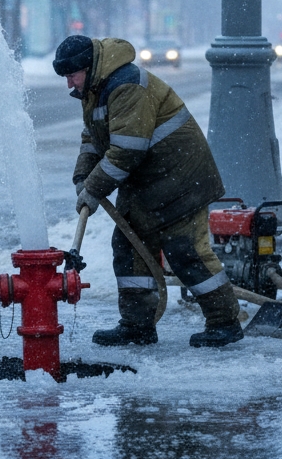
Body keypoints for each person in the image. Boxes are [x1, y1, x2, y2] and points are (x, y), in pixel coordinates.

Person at [53, 35, 243, 348]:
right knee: (129, 248)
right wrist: (83, 176)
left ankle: (225, 322)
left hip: (180, 178)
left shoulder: (127, 85)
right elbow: (93, 138)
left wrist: (95, 188)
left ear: (87, 67)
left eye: (71, 76)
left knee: (186, 251)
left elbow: (127, 150)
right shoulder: (95, 89)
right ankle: (137, 325)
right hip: (148, 182)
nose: (69, 84)